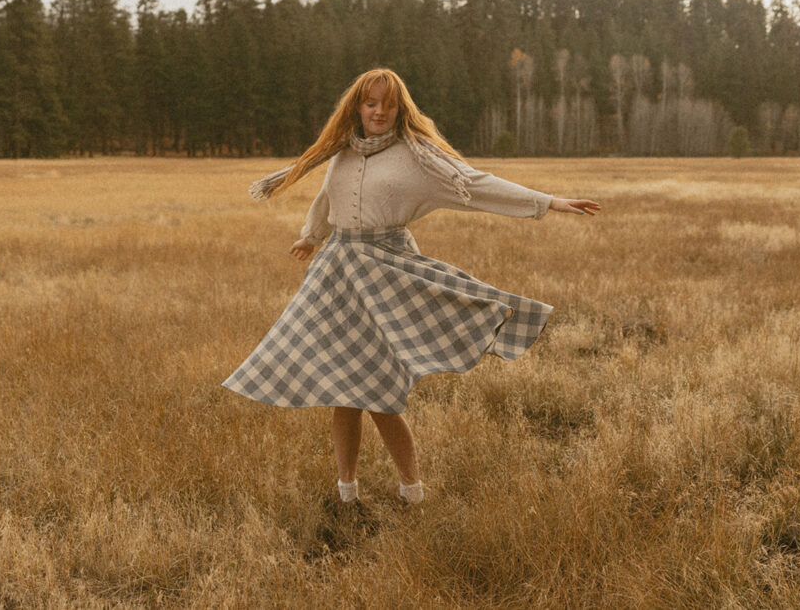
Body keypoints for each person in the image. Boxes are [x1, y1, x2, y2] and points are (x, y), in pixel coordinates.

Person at [222, 68, 599, 506]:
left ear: (400, 110)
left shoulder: (418, 158)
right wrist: (311, 235)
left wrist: (548, 202)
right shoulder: (342, 153)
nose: (379, 111)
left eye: (389, 105)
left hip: (387, 271)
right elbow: (327, 198)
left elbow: (476, 184)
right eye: (371, 103)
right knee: (342, 392)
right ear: (357, 107)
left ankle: (412, 494)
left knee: (380, 391)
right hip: (337, 275)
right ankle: (346, 494)